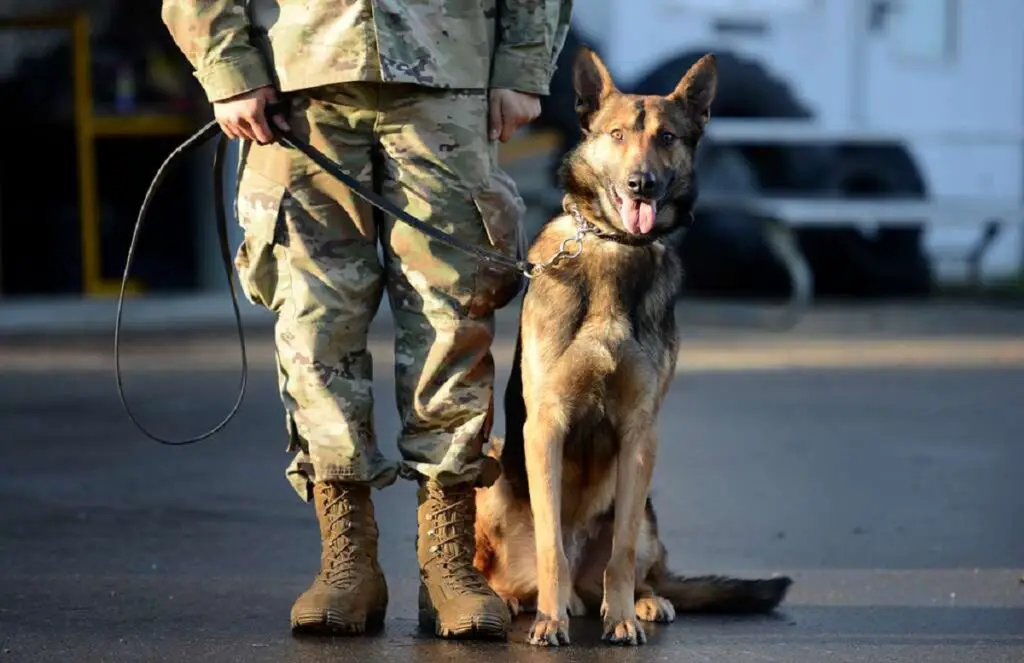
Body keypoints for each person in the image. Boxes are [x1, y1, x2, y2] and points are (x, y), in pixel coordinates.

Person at [161, 0, 572, 641]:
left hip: (447, 72)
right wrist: (228, 64)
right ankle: (347, 559)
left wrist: (522, 62)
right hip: (297, 78)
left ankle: (450, 560)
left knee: (453, 318)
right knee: (313, 324)